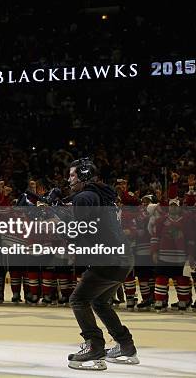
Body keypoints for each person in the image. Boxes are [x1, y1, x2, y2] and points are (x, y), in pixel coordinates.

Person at [65, 158, 138, 371]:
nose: (69, 179)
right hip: (122, 258)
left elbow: (79, 231)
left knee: (78, 299)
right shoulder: (101, 194)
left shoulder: (84, 196)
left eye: (72, 175)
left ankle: (94, 346)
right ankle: (126, 345)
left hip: (107, 259)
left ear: (84, 175)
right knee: (99, 302)